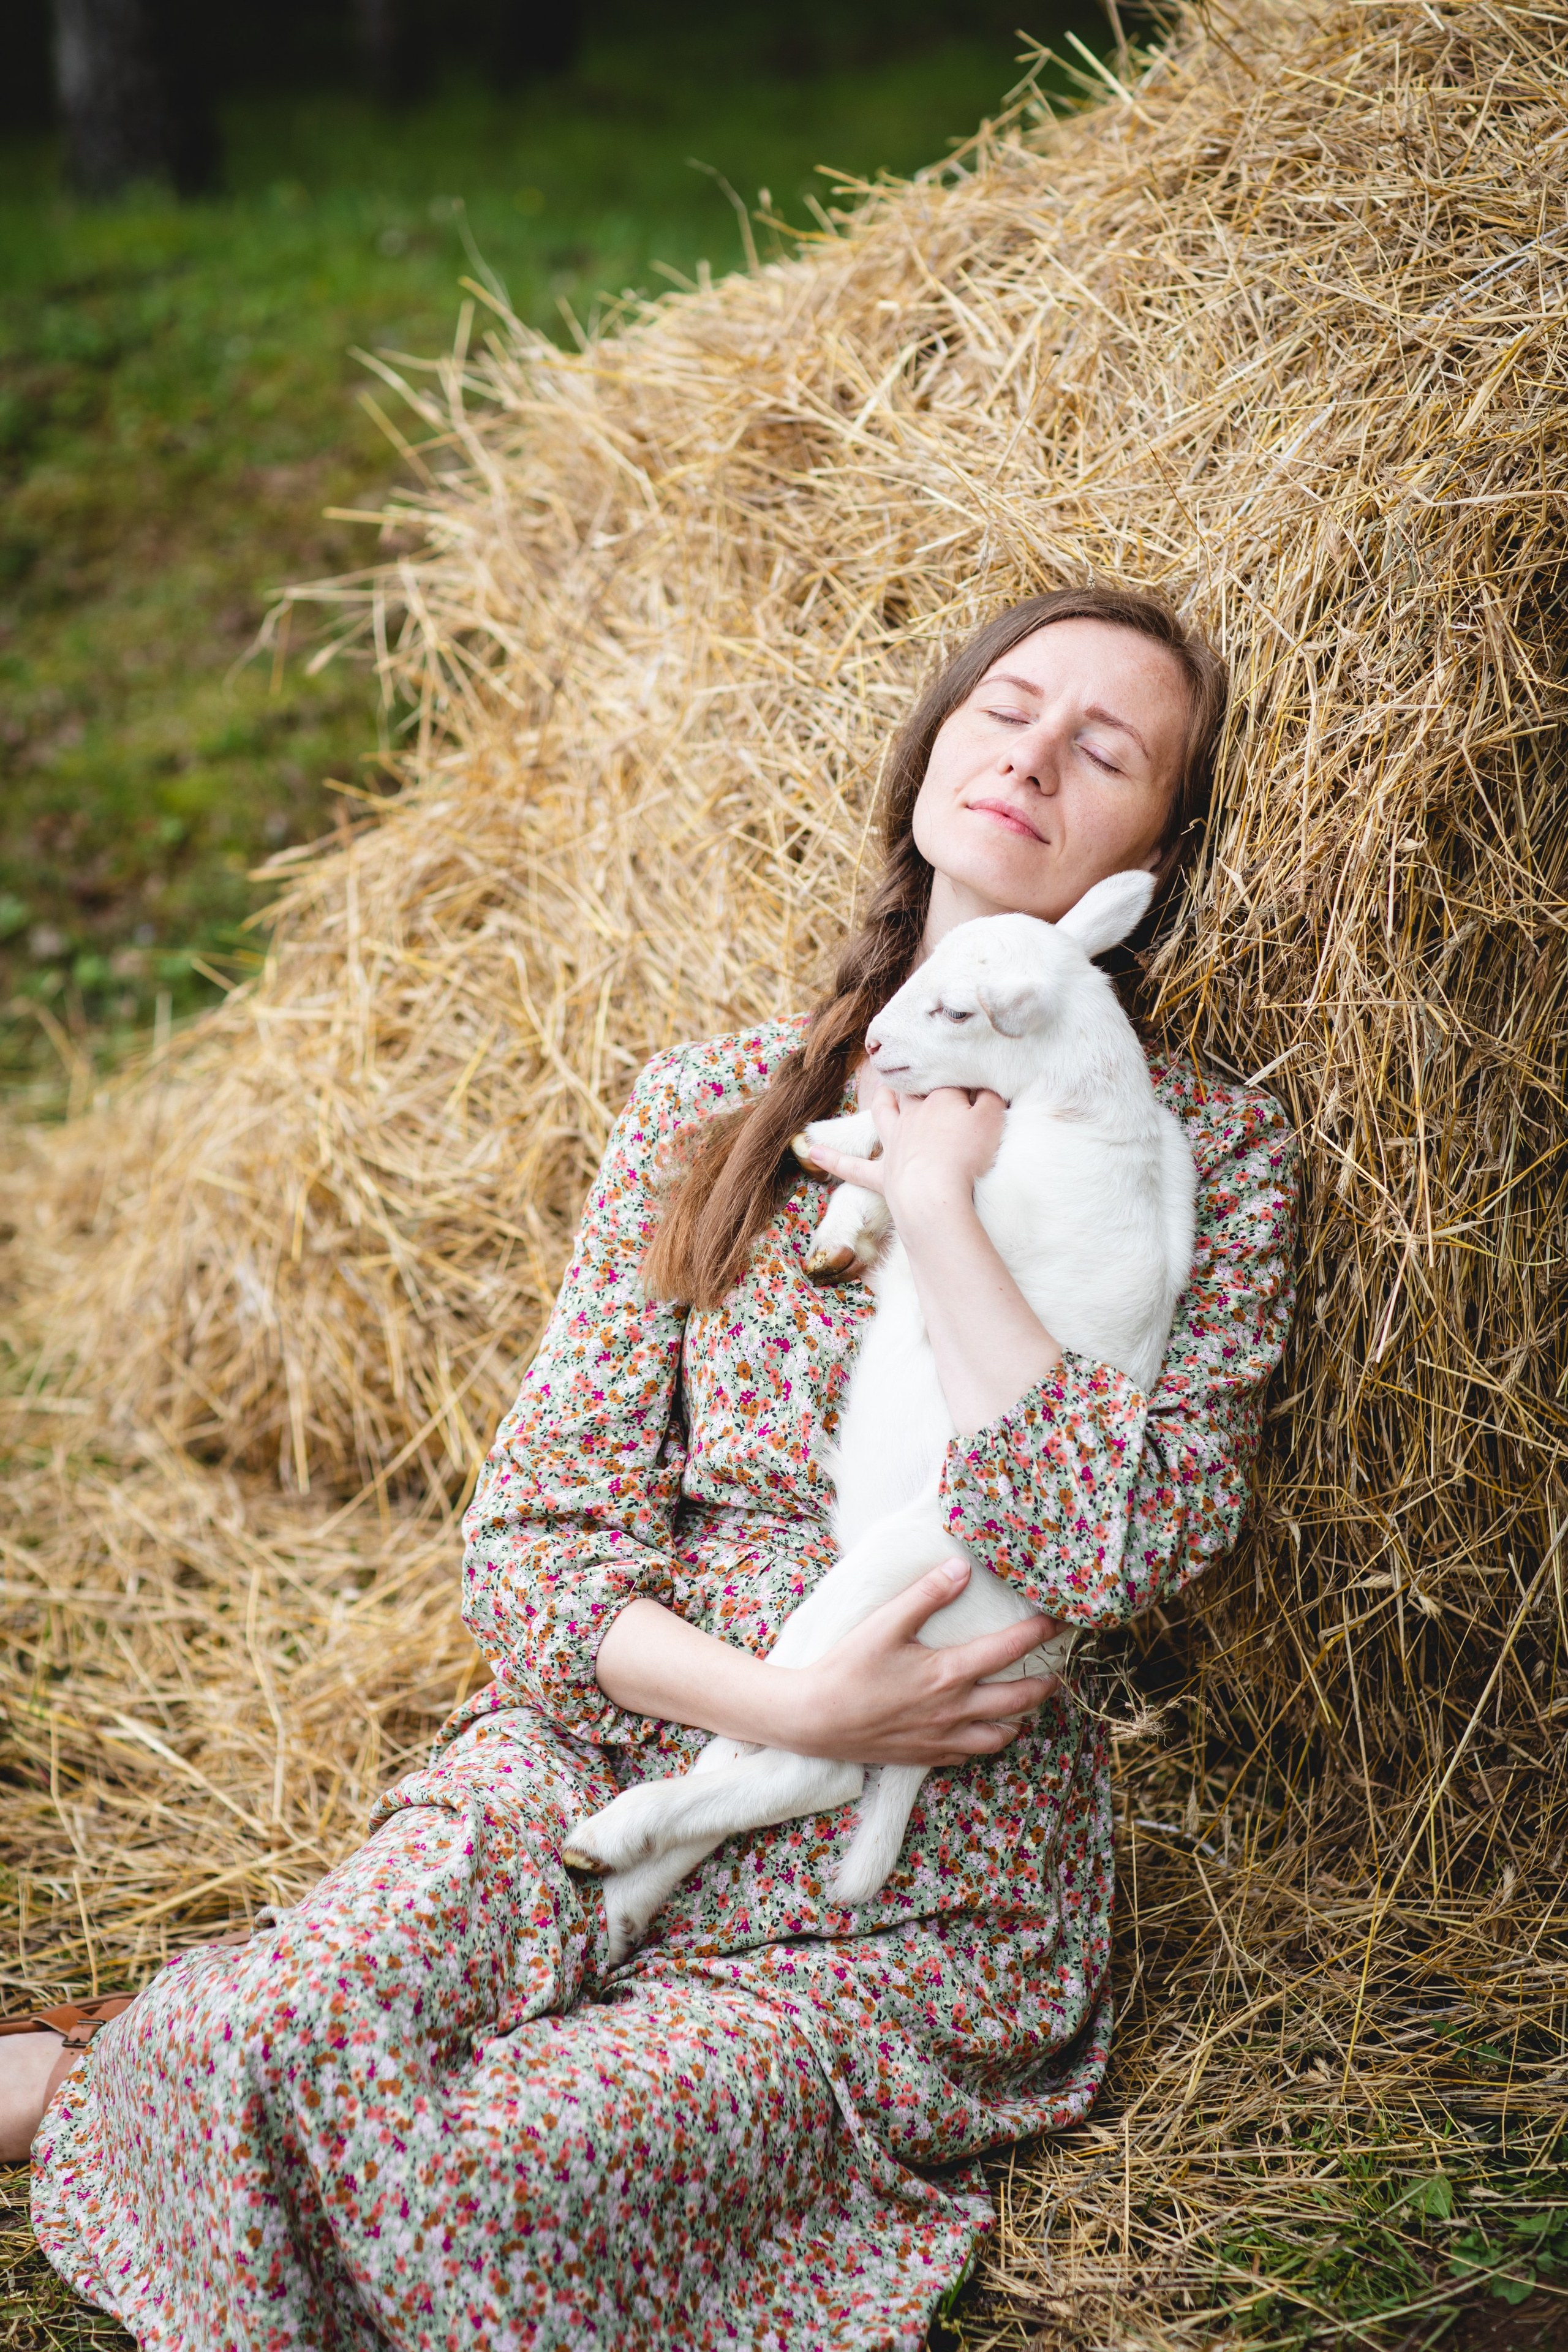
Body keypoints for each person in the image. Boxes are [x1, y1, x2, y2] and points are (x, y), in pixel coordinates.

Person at [15, 584, 1297, 2350]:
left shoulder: (1206, 1148)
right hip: (607, 1746)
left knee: (468, 2181)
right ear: (932, 744)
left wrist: (937, 1204)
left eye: (1107, 748)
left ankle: (95, 2098)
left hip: (909, 1868)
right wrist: (787, 1699)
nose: (1033, 754)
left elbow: (1124, 1548)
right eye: (1008, 705)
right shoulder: (713, 1106)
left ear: (1141, 858)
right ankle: (176, 2063)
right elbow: (536, 1549)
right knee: (269, 2043)